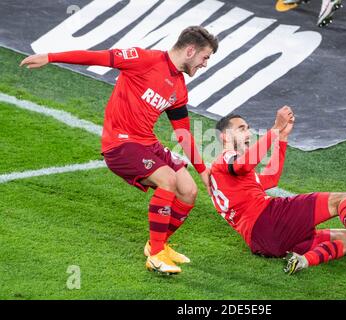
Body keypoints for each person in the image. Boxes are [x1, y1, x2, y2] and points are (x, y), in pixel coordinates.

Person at [20, 26, 219, 275]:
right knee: (168, 179)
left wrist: (202, 171)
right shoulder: (142, 60)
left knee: (188, 191)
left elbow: (183, 134)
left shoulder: (179, 87)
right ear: (190, 50)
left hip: (146, 142)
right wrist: (50, 57)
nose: (205, 64)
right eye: (205, 57)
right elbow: (96, 57)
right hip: (120, 144)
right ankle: (156, 257)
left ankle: (156, 245)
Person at [210, 107, 346, 274]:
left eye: (248, 128)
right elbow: (244, 165)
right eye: (241, 129)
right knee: (345, 199)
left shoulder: (228, 178)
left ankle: (302, 261)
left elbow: (271, 178)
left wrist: (282, 138)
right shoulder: (225, 158)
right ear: (224, 137)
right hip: (269, 218)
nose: (248, 132)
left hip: (263, 243)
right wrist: (275, 129)